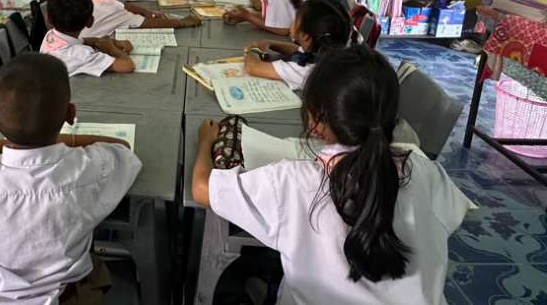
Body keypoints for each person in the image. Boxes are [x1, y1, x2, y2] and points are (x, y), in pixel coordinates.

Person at [192, 46, 470, 305]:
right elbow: (452, 216)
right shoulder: (429, 173)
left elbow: (203, 190)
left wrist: (206, 141)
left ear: (314, 122)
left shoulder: (290, 183)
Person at [0, 53, 142, 305]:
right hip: (68, 296)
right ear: (70, 114)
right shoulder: (87, 171)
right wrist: (66, 139)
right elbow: (123, 148)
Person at [242, 0, 356, 89]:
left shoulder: (304, 68)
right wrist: (269, 43)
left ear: (304, 35)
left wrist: (253, 50)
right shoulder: (332, 53)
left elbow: (252, 67)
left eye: (296, 18)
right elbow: (297, 49)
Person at [40, 0, 135, 75]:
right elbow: (128, 65)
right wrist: (112, 50)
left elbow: (84, 40)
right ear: (90, 22)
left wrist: (110, 43)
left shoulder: (51, 35)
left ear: (48, 19)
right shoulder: (79, 56)